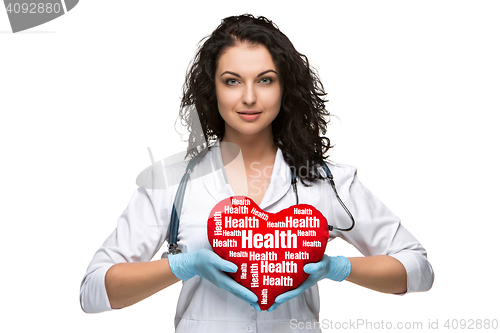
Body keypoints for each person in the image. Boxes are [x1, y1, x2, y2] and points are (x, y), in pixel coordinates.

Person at [80, 14, 434, 332]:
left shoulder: (326, 181)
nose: (249, 97)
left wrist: (337, 268)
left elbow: (418, 269)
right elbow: (94, 291)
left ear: (285, 89)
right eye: (232, 81)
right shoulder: (170, 183)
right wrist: (184, 266)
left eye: (265, 80)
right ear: (212, 90)